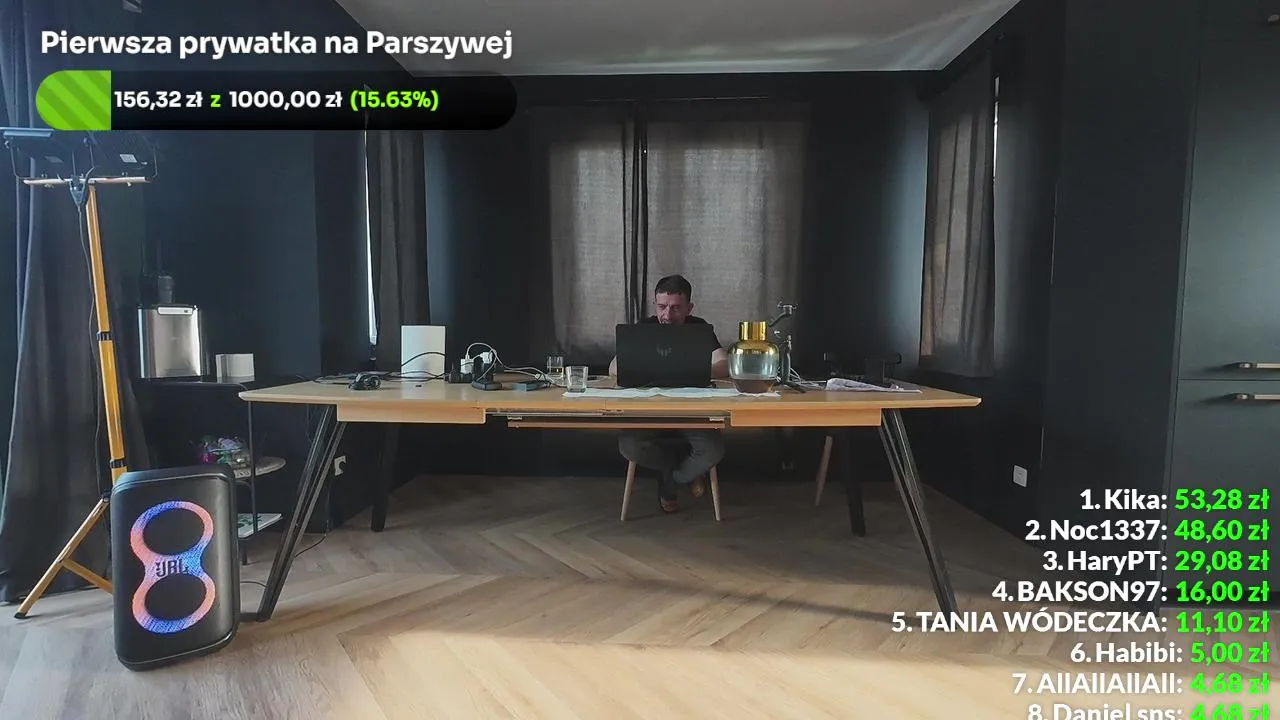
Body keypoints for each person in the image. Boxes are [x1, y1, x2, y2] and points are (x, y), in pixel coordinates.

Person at [609, 275, 729, 513]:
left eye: (675, 308)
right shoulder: (644, 328)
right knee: (629, 446)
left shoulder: (699, 328)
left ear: (689, 308)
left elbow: (724, 364)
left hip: (693, 413)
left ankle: (672, 480)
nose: (667, 315)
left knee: (713, 450)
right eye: (662, 307)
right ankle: (680, 472)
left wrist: (689, 370)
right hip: (649, 411)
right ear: (655, 304)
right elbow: (614, 368)